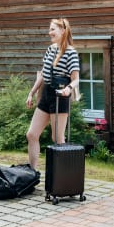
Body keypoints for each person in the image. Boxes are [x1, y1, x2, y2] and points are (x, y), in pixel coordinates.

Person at [25, 18, 81, 169]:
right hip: (46, 94)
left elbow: (76, 79)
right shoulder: (50, 49)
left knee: (57, 138)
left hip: (60, 96)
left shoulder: (71, 52)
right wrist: (31, 93)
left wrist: (68, 89)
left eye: (52, 29)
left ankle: (63, 176)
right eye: (49, 29)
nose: (49, 32)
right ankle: (33, 172)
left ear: (63, 31)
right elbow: (43, 74)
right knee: (31, 135)